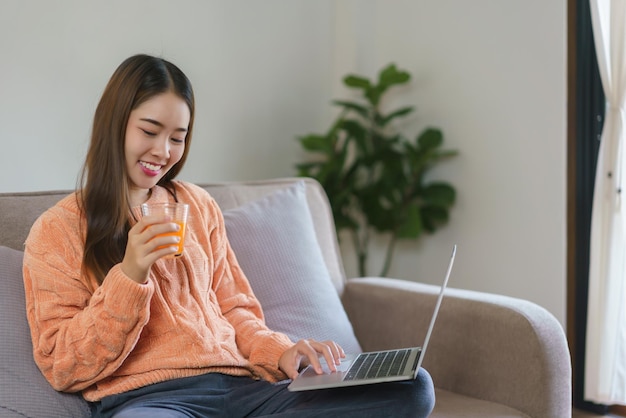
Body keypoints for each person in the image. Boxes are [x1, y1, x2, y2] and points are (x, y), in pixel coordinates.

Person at [22, 54, 435, 418]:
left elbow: (237, 310)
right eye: (149, 131)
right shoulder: (56, 232)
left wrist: (282, 352)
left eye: (177, 138)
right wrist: (130, 273)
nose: (163, 151)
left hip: (240, 391)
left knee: (412, 386)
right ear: (114, 125)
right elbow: (63, 364)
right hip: (152, 402)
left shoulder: (197, 206)